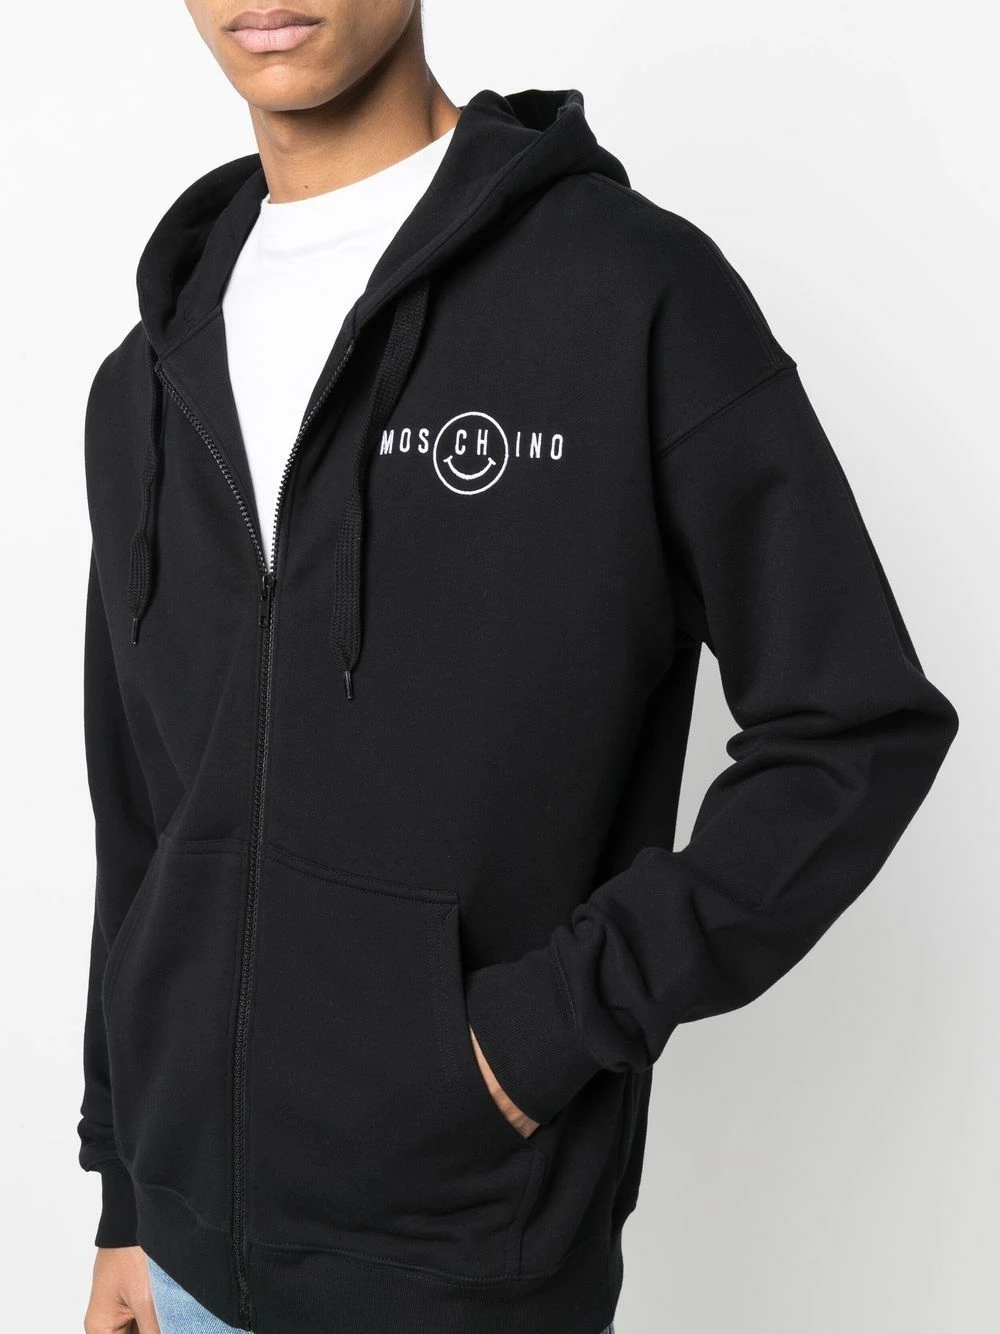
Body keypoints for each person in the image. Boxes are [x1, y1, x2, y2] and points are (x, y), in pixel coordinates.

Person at [78, 2, 959, 1332]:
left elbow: (855, 725)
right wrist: (126, 1197)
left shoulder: (630, 295)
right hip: (184, 1268)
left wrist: (545, 1027)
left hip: (469, 1268)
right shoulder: (147, 377)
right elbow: (142, 818)